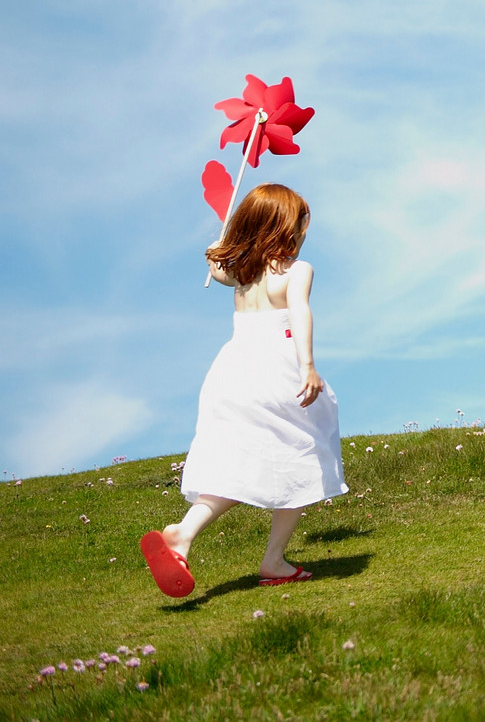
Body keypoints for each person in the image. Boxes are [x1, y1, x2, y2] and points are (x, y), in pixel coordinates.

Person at [139, 184, 346, 598]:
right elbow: (300, 312)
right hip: (278, 368)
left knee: (238, 462)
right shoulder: (296, 270)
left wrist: (216, 246)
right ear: (285, 226)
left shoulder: (240, 272)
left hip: (232, 372)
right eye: (301, 222)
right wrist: (307, 365)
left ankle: (183, 533)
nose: (305, 231)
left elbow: (216, 266)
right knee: (306, 451)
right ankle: (273, 559)